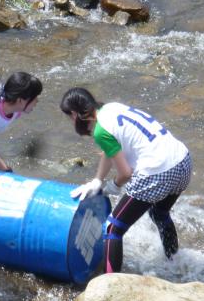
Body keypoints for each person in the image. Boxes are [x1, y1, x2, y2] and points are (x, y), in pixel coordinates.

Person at [61, 87, 192, 273]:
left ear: (75, 114)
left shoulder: (100, 131)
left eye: (69, 117)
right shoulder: (112, 108)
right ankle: (175, 263)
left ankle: (110, 283)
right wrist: (97, 179)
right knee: (159, 213)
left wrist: (112, 186)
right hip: (183, 161)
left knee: (112, 229)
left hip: (158, 172)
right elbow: (110, 150)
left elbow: (125, 173)